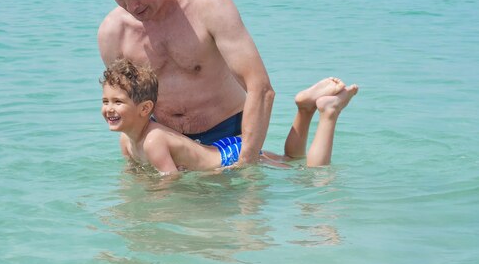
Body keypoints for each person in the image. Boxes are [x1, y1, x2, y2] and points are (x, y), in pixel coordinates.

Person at [97, 0, 274, 166]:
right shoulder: (112, 33)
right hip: (167, 146)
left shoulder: (210, 6)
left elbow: (260, 88)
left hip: (229, 136)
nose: (132, 8)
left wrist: (246, 164)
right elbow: (127, 105)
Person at [101, 59, 358, 175]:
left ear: (145, 109)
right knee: (292, 161)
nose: (109, 109)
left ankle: (328, 113)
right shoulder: (126, 140)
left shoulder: (152, 140)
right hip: (221, 149)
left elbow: (171, 184)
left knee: (308, 176)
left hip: (228, 157)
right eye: (105, 101)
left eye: (117, 102)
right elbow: (134, 173)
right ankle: (305, 109)